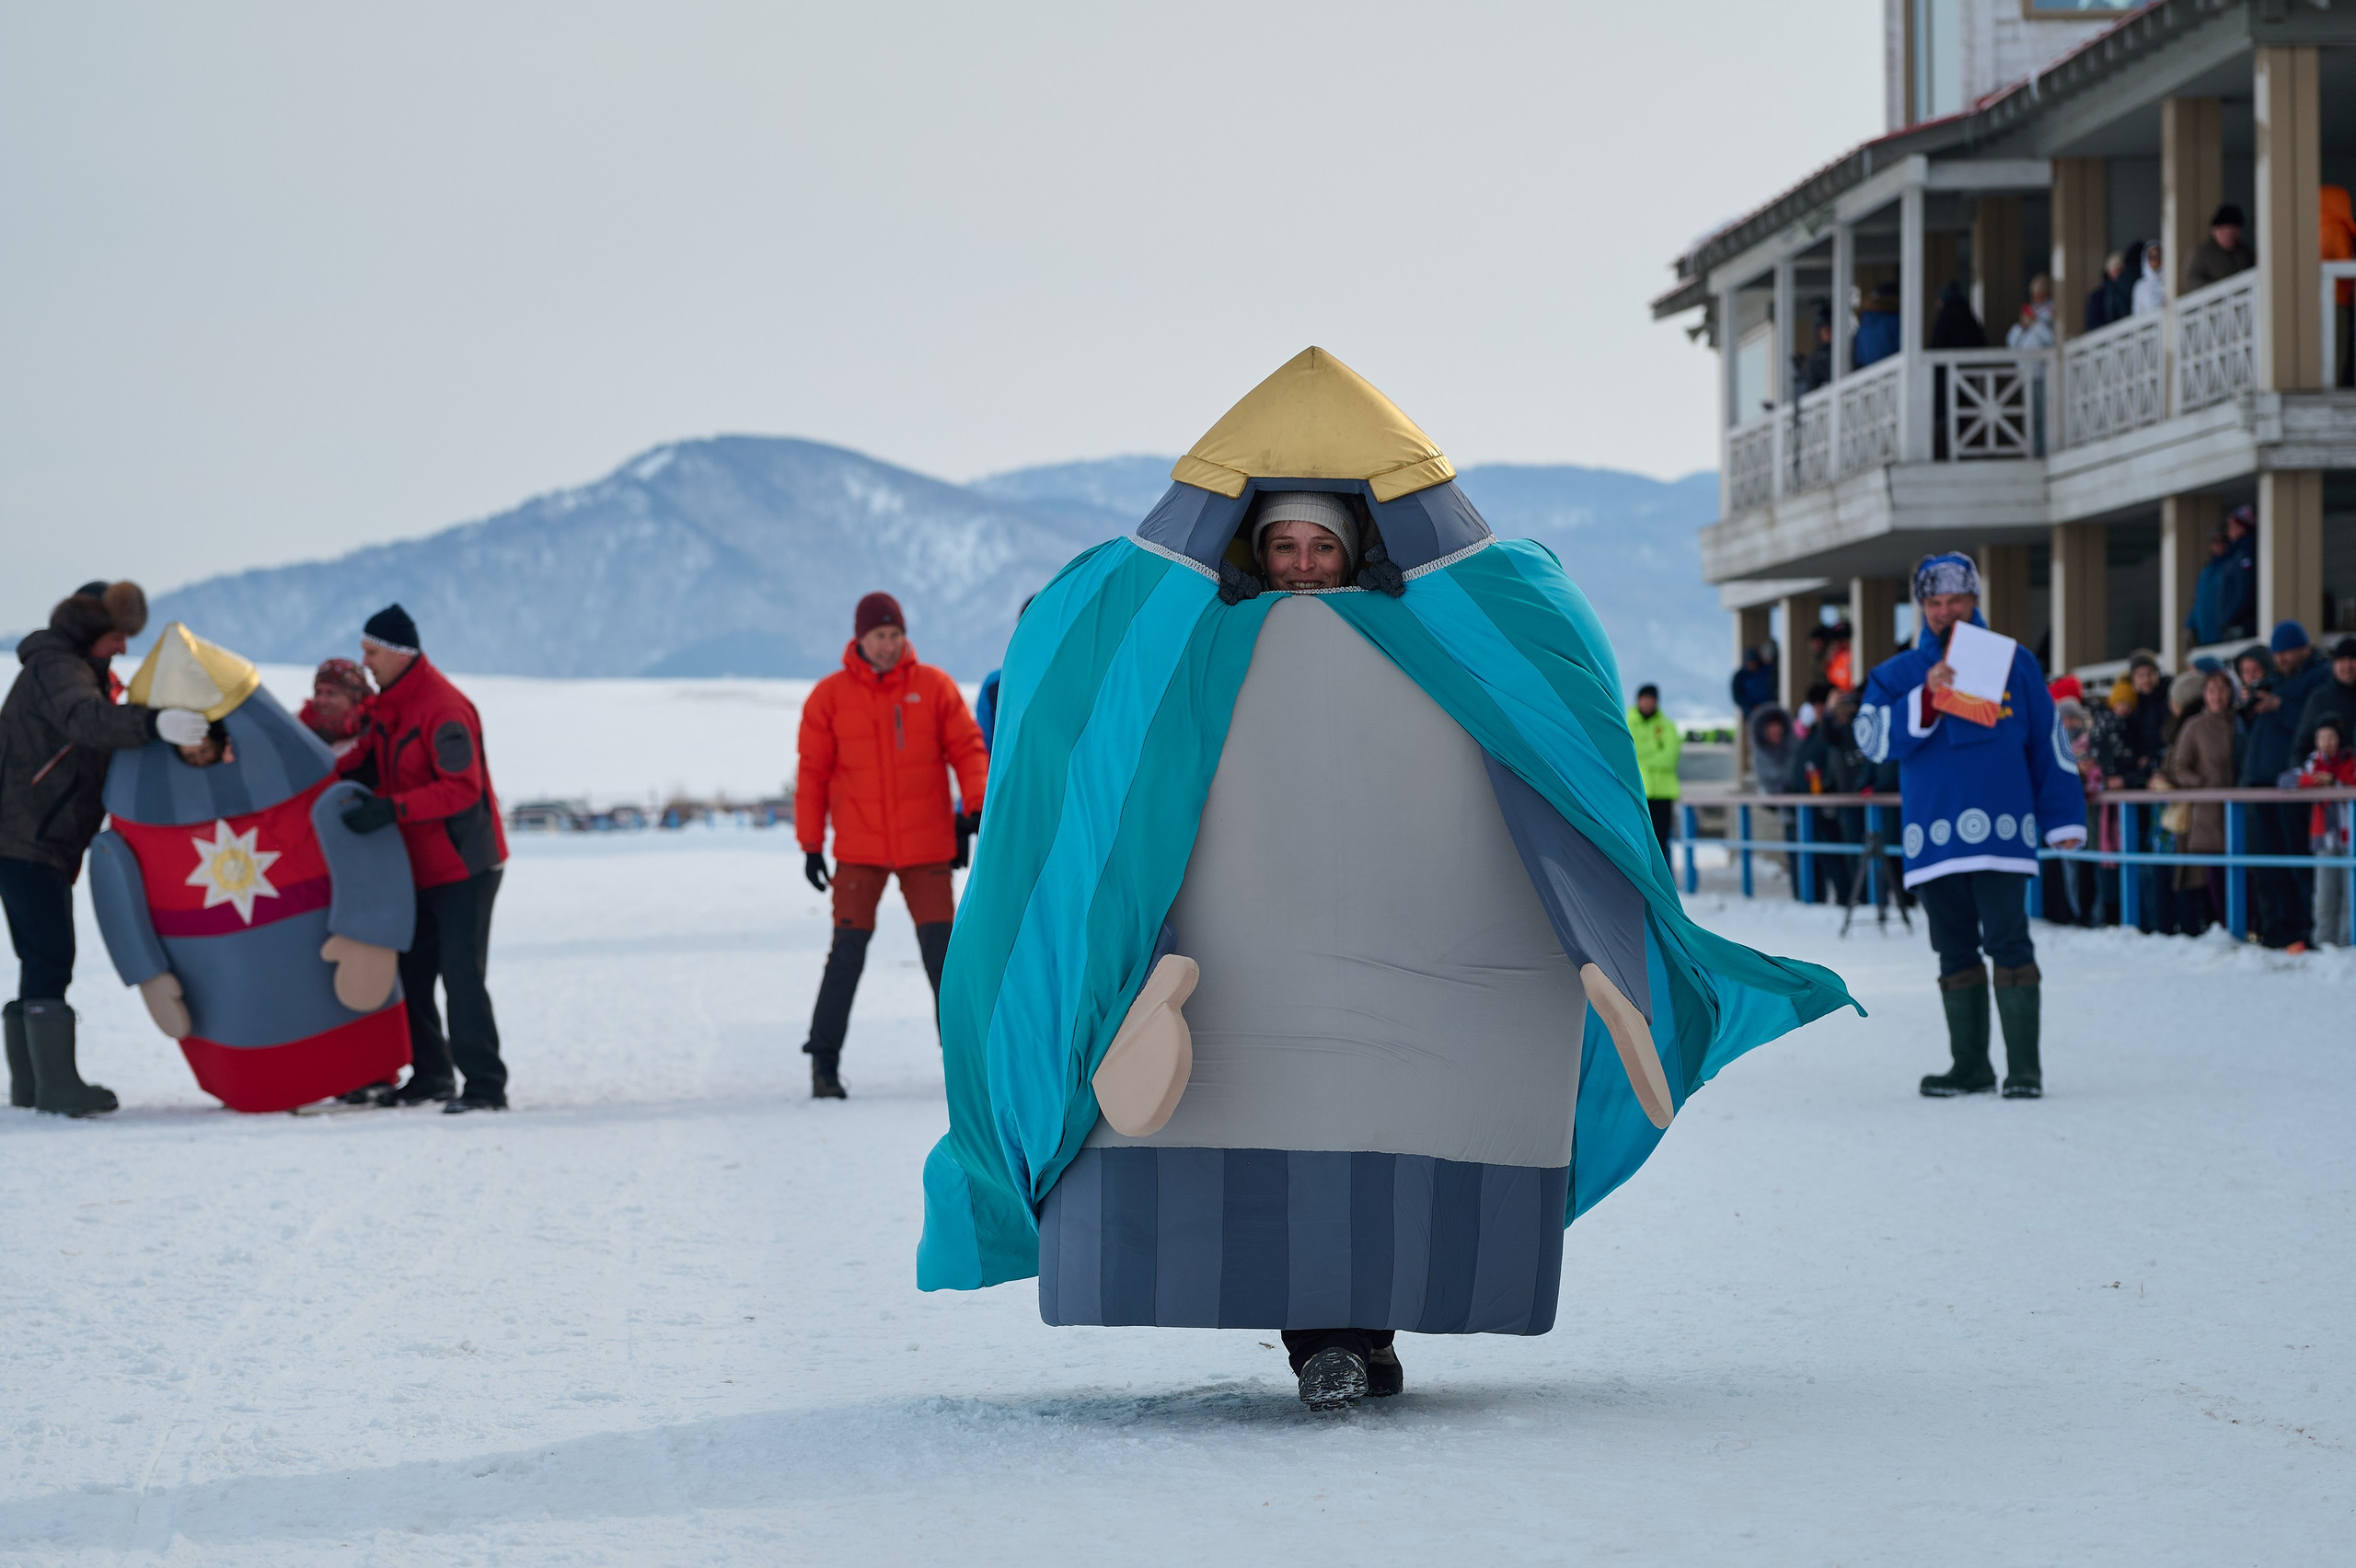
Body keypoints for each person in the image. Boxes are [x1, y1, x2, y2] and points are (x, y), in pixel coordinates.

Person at [1854, 553, 2086, 1099]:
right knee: (1953, 950)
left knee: (2010, 943)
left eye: (1955, 600)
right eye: (1933, 603)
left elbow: (2049, 743)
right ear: (1921, 609)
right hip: (1933, 840)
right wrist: (1926, 699)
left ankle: (2024, 1070)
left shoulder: (2015, 662)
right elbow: (1870, 740)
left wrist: (2063, 817)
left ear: (1975, 600)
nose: (1944, 612)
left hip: (2002, 835)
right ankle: (1971, 1065)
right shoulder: (1896, 676)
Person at [1, 582, 210, 1115]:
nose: (122, 648)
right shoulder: (58, 669)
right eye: (115, 637)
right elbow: (86, 722)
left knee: (38, 955)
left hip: (29, 837)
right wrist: (155, 724)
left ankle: (33, 1086)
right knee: (51, 955)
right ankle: (56, 1089)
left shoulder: (71, 669)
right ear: (88, 634)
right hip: (29, 836)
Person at [796, 591, 987, 1099]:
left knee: (944, 959)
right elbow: (812, 776)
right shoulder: (829, 697)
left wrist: (977, 802)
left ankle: (967, 1068)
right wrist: (811, 844)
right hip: (858, 851)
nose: (888, 644)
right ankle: (824, 1064)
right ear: (860, 639)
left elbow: (967, 749)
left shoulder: (934, 687)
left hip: (926, 847)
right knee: (846, 956)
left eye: (895, 634)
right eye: (879, 636)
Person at [338, 604, 512, 1112]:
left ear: (397, 654)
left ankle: (484, 1086)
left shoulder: (442, 708)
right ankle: (432, 1075)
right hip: (419, 867)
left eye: (371, 651)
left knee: (461, 977)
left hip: (465, 867)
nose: (364, 661)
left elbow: (462, 790)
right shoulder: (391, 706)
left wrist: (391, 809)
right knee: (411, 973)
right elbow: (364, 758)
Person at [2243, 621, 2331, 949]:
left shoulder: (2319, 678)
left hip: (2295, 786)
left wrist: (2279, 707)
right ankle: (2274, 927)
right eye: (2276, 654)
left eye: (2286, 653)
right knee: (2266, 864)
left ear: (2303, 649)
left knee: (2297, 859)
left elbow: (2311, 730)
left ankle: (2304, 928)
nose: (2280, 659)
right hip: (2261, 784)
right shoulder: (2275, 682)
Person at [2159, 669, 2238, 935]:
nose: (2217, 696)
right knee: (2211, 876)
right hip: (2206, 814)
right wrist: (2202, 785)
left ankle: (2240, 926)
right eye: (2212, 690)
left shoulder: (2240, 723)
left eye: (2222, 690)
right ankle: (2222, 929)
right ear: (2204, 695)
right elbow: (2180, 767)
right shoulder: (2194, 727)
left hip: (2239, 810)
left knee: (2241, 871)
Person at [2292, 717, 2354, 946]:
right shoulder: (2312, 763)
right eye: (2322, 737)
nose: (2327, 742)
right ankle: (2323, 943)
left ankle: (2348, 941)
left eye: (2331, 736)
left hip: (2351, 837)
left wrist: (2334, 782)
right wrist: (2317, 781)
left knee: (2350, 892)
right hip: (2324, 837)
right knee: (2325, 894)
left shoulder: (2350, 761)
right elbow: (2287, 780)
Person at [1626, 684, 1681, 868]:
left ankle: (1662, 885)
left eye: (1651, 699)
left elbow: (1670, 758)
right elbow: (1626, 753)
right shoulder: (1626, 722)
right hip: (1637, 792)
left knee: (1661, 843)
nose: (1647, 703)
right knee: (1637, 841)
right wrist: (1655, 750)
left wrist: (1642, 755)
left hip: (1662, 794)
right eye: (1645, 698)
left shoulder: (1667, 725)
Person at [2187, 507, 2258, 648]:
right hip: (2207, 635)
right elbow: (2199, 601)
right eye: (2214, 541)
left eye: (2222, 540)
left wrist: (2228, 619)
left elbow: (2243, 593)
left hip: (2227, 631)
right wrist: (2191, 624)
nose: (2218, 545)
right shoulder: (2208, 571)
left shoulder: (2237, 560)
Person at [2291, 636, 2356, 763]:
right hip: (2326, 777)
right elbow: (2300, 747)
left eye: (2352, 660)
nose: (2347, 666)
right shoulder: (2320, 699)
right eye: (2342, 660)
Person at [300, 658, 373, 755]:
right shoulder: (299, 728)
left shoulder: (374, 736)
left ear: (354, 699)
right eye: (318, 692)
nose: (322, 701)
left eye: (332, 693)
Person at [2182, 203, 2256, 293]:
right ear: (2217, 230)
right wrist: (2218, 288)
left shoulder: (2244, 252)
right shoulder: (2201, 253)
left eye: (2236, 232)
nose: (2235, 237)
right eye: (2230, 232)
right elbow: (2190, 281)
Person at [1853, 282, 1901, 369]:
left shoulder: (1864, 321)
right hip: (1892, 373)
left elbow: (1858, 356)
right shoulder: (1894, 320)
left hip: (1868, 376)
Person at [1929, 280, 1986, 350]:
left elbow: (1937, 343)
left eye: (1939, 299)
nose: (1937, 303)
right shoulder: (1967, 315)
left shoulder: (1945, 318)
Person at [2085, 249, 2129, 332]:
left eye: (2121, 270)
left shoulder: (2129, 291)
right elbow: (2092, 323)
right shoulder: (2097, 296)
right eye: (2115, 270)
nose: (2118, 274)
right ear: (2108, 271)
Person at [1730, 642, 1777, 718]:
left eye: (1753, 663)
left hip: (1770, 709)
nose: (1752, 666)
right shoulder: (1740, 676)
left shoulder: (1766, 670)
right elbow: (1738, 697)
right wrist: (1751, 707)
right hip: (1752, 713)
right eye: (1749, 664)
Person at [2131, 241, 2166, 316]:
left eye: (2158, 256)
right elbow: (2137, 312)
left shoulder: (2168, 280)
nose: (2155, 260)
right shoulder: (2140, 286)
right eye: (2151, 257)